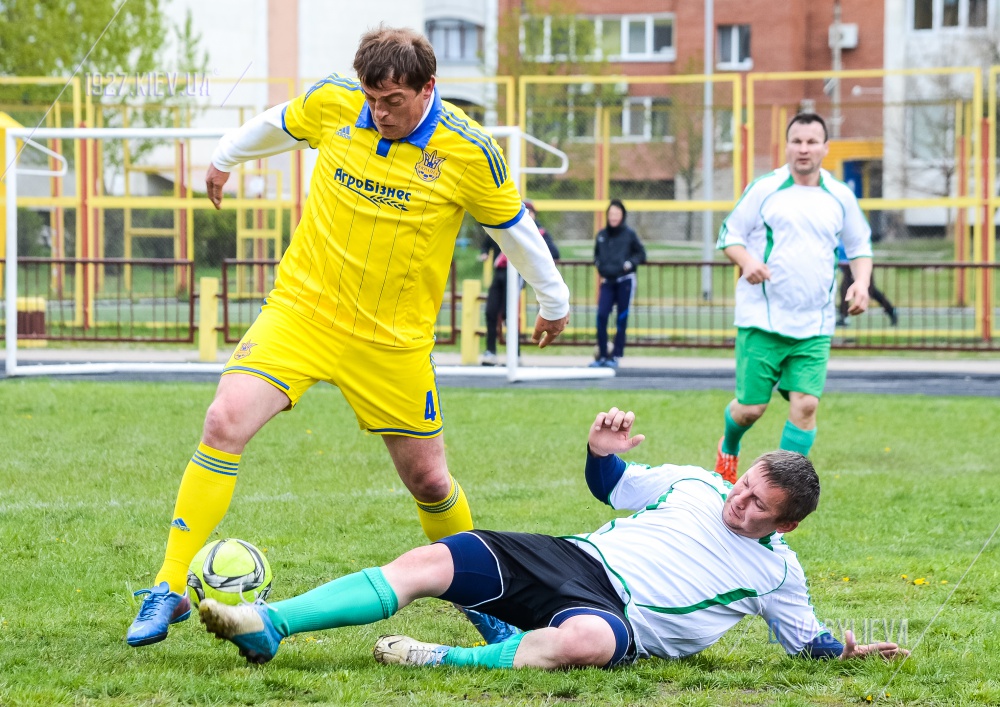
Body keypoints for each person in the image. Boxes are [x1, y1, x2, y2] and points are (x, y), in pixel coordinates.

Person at [127, 26, 570, 647]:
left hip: (392, 343)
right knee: (223, 421)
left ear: (428, 88)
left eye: (393, 100)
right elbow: (282, 122)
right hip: (302, 313)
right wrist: (226, 156)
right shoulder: (336, 101)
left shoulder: (469, 150)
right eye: (372, 98)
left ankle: (483, 603)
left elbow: (513, 227)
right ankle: (169, 586)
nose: (379, 112)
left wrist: (554, 301)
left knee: (430, 482)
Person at [198, 407, 908, 669]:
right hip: (576, 557)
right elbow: (611, 485)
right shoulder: (697, 482)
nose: (739, 501)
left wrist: (842, 651)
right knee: (436, 559)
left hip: (620, 620)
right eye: (744, 484)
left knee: (586, 642)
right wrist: (601, 451)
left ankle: (444, 656)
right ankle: (269, 624)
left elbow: (805, 641)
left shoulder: (780, 573)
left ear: (785, 524)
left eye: (757, 506)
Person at [714, 113, 873, 484]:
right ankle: (729, 446)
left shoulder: (840, 196)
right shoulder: (764, 189)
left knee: (806, 405)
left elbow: (859, 245)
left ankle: (778, 489)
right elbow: (729, 235)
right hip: (762, 320)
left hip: (814, 324)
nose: (804, 149)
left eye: (812, 141)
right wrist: (747, 261)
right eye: (797, 141)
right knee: (751, 409)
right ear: (786, 146)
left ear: (825, 148)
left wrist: (862, 283)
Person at [480, 201, 560, 366]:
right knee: (490, 312)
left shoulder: (537, 232)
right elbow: (487, 241)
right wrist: (484, 252)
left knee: (509, 314)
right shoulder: (506, 226)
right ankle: (490, 352)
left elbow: (554, 252)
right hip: (499, 273)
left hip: (516, 273)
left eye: (531, 212)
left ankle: (514, 355)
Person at [590, 199, 646, 369]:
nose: (614, 217)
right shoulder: (602, 235)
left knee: (621, 318)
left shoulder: (629, 234)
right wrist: (599, 265)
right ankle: (602, 354)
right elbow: (596, 255)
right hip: (608, 281)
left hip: (624, 281)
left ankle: (615, 355)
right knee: (602, 315)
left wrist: (628, 264)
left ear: (622, 216)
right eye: (611, 214)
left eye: (617, 214)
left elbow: (641, 254)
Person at [837, 241, 897, 327]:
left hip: (859, 266)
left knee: (871, 291)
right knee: (844, 291)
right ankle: (844, 317)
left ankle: (891, 311)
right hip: (847, 268)